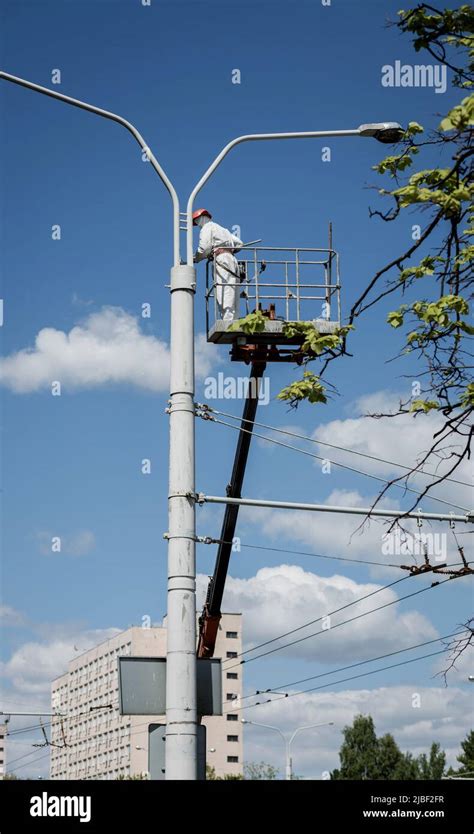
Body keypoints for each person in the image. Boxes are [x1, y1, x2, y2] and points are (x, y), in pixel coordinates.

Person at [193, 208, 243, 322]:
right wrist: (228, 249)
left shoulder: (207, 228)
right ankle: (233, 318)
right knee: (232, 287)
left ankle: (227, 318)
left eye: (196, 221)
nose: (197, 224)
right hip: (232, 260)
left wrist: (195, 258)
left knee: (223, 287)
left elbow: (204, 248)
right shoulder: (223, 229)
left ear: (202, 218)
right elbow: (240, 243)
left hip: (221, 260)